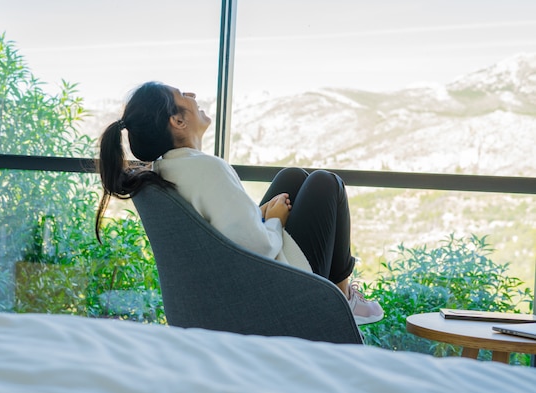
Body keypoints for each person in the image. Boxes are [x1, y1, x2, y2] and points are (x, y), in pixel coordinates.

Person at [96, 81, 383, 325]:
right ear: (178, 121)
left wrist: (259, 214)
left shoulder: (167, 170)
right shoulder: (208, 168)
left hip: (236, 278)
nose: (193, 96)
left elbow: (214, 232)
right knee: (326, 183)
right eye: (183, 95)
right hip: (274, 285)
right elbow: (258, 247)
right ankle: (342, 297)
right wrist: (274, 221)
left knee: (292, 177)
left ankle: (343, 296)